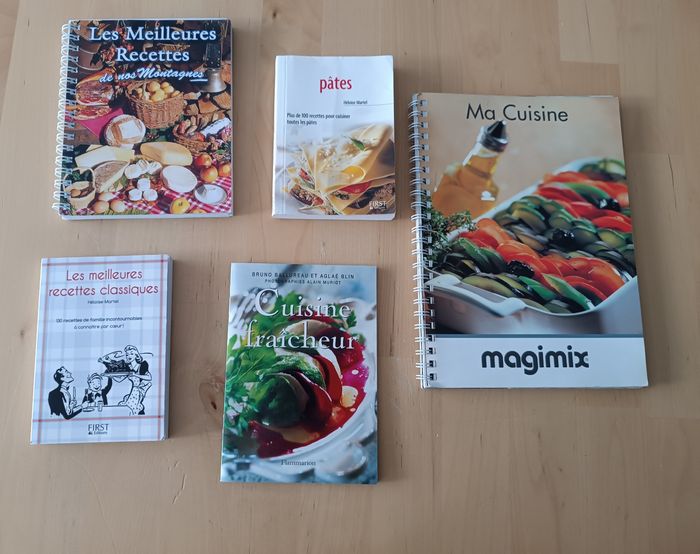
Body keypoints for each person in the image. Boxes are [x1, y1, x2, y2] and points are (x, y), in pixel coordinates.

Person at [118, 345, 151, 415]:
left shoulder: (142, 365)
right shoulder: (128, 367)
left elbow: (149, 377)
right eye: (127, 354)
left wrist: (135, 375)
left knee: (132, 407)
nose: (129, 356)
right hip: (132, 390)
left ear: (136, 355)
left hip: (139, 391)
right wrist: (109, 376)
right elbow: (119, 379)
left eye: (131, 354)